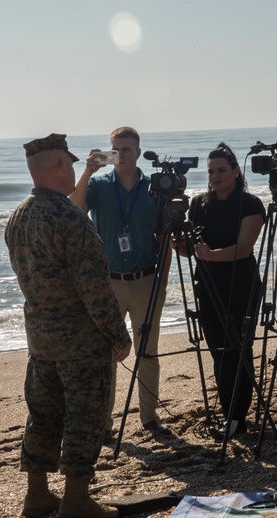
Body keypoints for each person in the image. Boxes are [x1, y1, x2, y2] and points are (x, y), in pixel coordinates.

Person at [5, 133, 132, 518]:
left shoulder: (19, 215)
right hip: (80, 338)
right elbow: (93, 287)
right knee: (85, 414)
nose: (74, 170)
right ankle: (76, 497)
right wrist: (118, 334)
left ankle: (38, 493)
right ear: (61, 167)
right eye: (71, 164)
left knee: (43, 414)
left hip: (40, 336)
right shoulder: (69, 218)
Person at [69, 127, 170, 437]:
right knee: (107, 355)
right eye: (116, 149)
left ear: (138, 152)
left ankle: (149, 417)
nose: (121, 155)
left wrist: (161, 284)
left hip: (145, 280)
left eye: (127, 149)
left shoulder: (154, 188)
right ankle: (104, 423)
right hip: (108, 283)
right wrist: (87, 170)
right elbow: (74, 208)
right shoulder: (99, 185)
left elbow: (164, 238)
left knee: (147, 353)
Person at [181, 143, 265, 438]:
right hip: (207, 284)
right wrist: (173, 239)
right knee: (218, 352)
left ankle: (236, 418)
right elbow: (188, 250)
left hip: (240, 285)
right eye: (210, 171)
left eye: (221, 170)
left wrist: (208, 254)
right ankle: (229, 413)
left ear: (235, 171)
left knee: (238, 351)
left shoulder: (251, 204)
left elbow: (243, 249)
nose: (215, 176)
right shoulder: (199, 204)